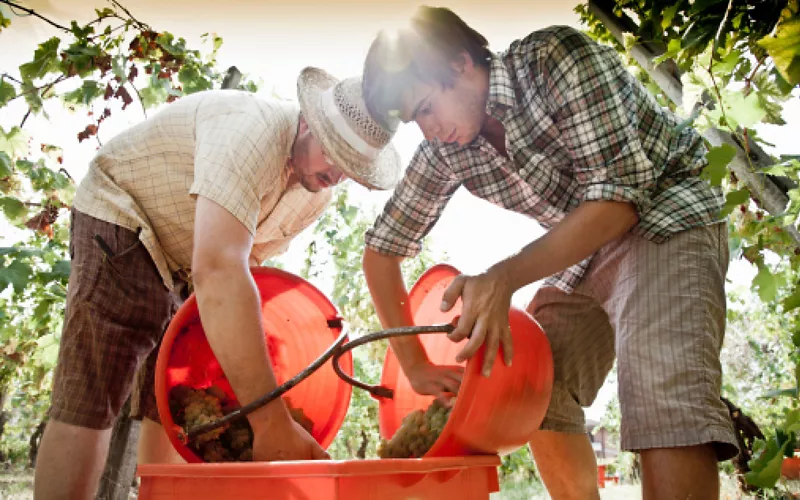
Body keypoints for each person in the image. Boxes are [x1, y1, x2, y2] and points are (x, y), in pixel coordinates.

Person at [360, 6, 738, 499]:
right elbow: (381, 252)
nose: (427, 130)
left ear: (459, 64)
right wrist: (413, 365)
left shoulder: (552, 61)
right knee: (530, 381)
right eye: (415, 120)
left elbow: (619, 201)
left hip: (665, 206)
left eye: (427, 107)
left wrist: (503, 278)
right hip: (588, 239)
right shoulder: (445, 149)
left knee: (658, 383)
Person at [33, 67, 401, 500]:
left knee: (177, 406)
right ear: (308, 122)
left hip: (188, 262)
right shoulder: (250, 134)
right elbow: (221, 269)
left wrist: (253, 355)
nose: (338, 173)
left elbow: (248, 266)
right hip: (125, 217)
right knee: (93, 397)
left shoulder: (315, 193)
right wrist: (270, 422)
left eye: (353, 167)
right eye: (334, 152)